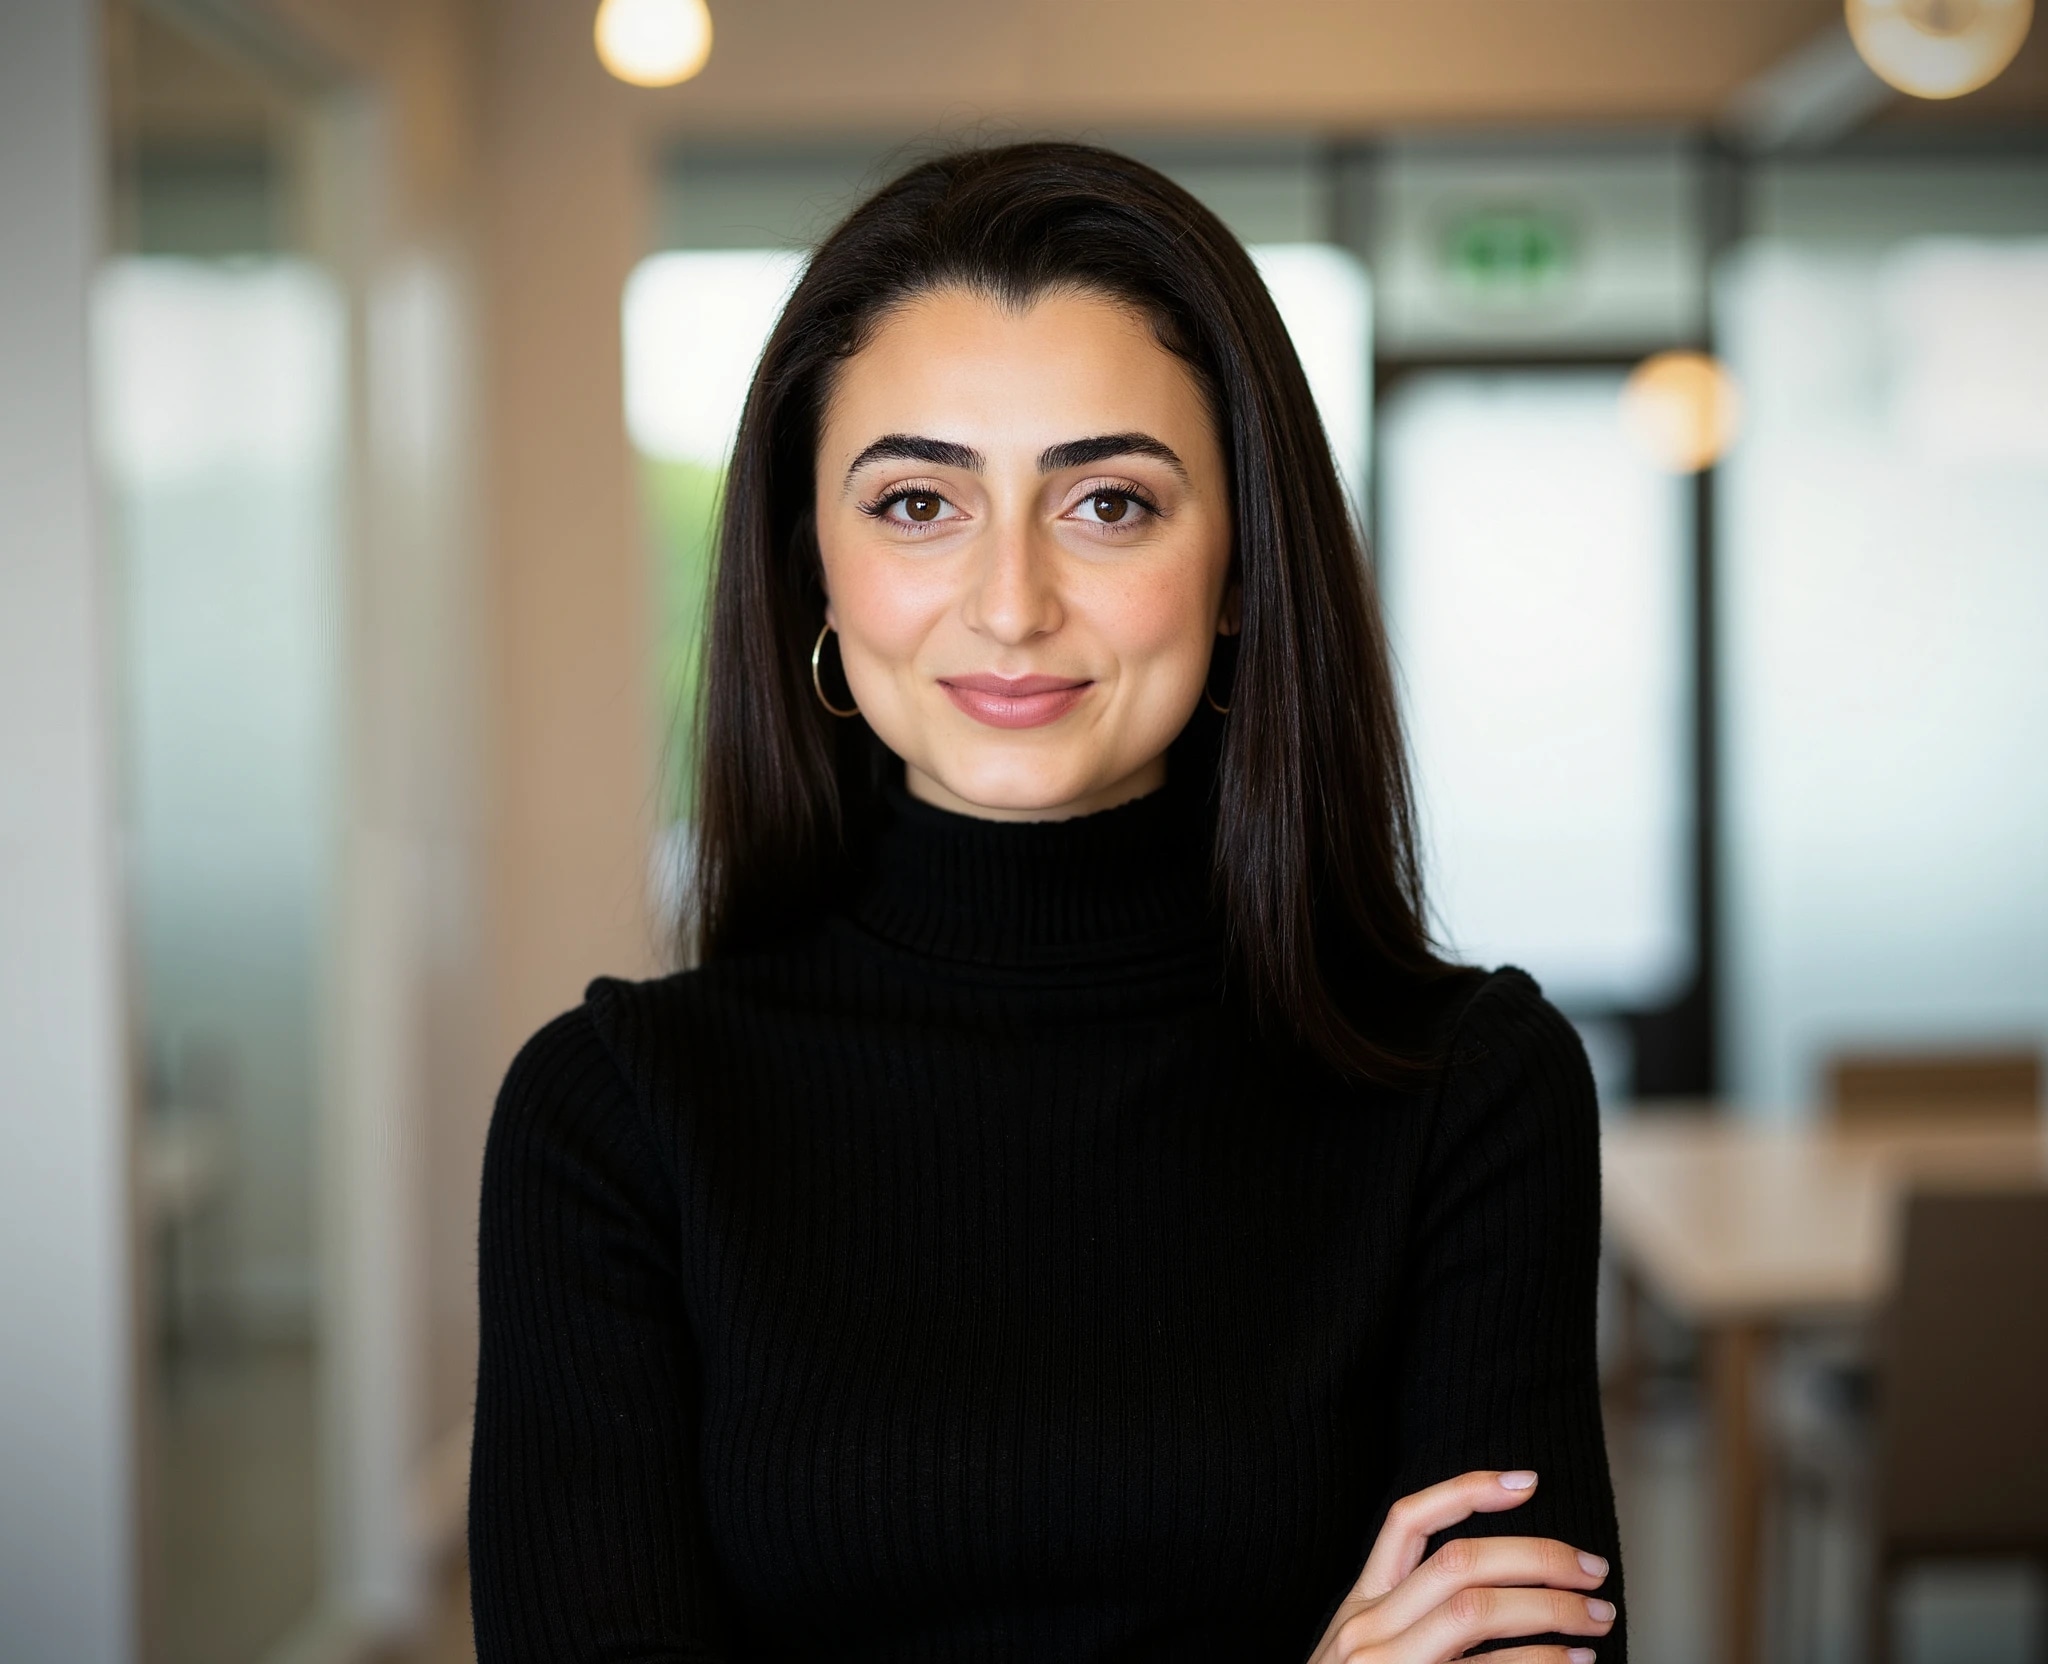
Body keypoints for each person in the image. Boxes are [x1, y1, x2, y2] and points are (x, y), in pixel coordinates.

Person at [470, 141, 1624, 1663]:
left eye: (1109, 504)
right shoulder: (613, 1122)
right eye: (916, 503)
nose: (1011, 603)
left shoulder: (1468, 1091)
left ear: (1240, 568)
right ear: (812, 568)